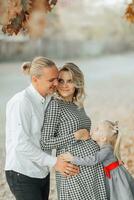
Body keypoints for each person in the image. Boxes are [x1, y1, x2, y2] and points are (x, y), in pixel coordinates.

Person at [5, 57, 80, 200]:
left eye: (57, 79)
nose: (56, 83)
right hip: (22, 172)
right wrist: (55, 162)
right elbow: (21, 144)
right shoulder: (21, 102)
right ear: (35, 80)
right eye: (51, 80)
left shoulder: (48, 99)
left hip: (42, 172)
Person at [40, 63, 108, 200]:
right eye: (61, 81)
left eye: (69, 81)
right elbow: (45, 142)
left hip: (91, 167)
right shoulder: (55, 105)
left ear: (77, 82)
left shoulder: (77, 104)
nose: (65, 85)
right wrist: (75, 136)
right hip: (73, 169)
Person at [61, 120, 134, 200]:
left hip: (115, 177)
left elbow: (94, 159)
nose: (94, 130)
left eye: (97, 129)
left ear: (103, 138)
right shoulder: (104, 145)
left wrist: (73, 158)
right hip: (112, 174)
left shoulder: (106, 150)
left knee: (119, 194)